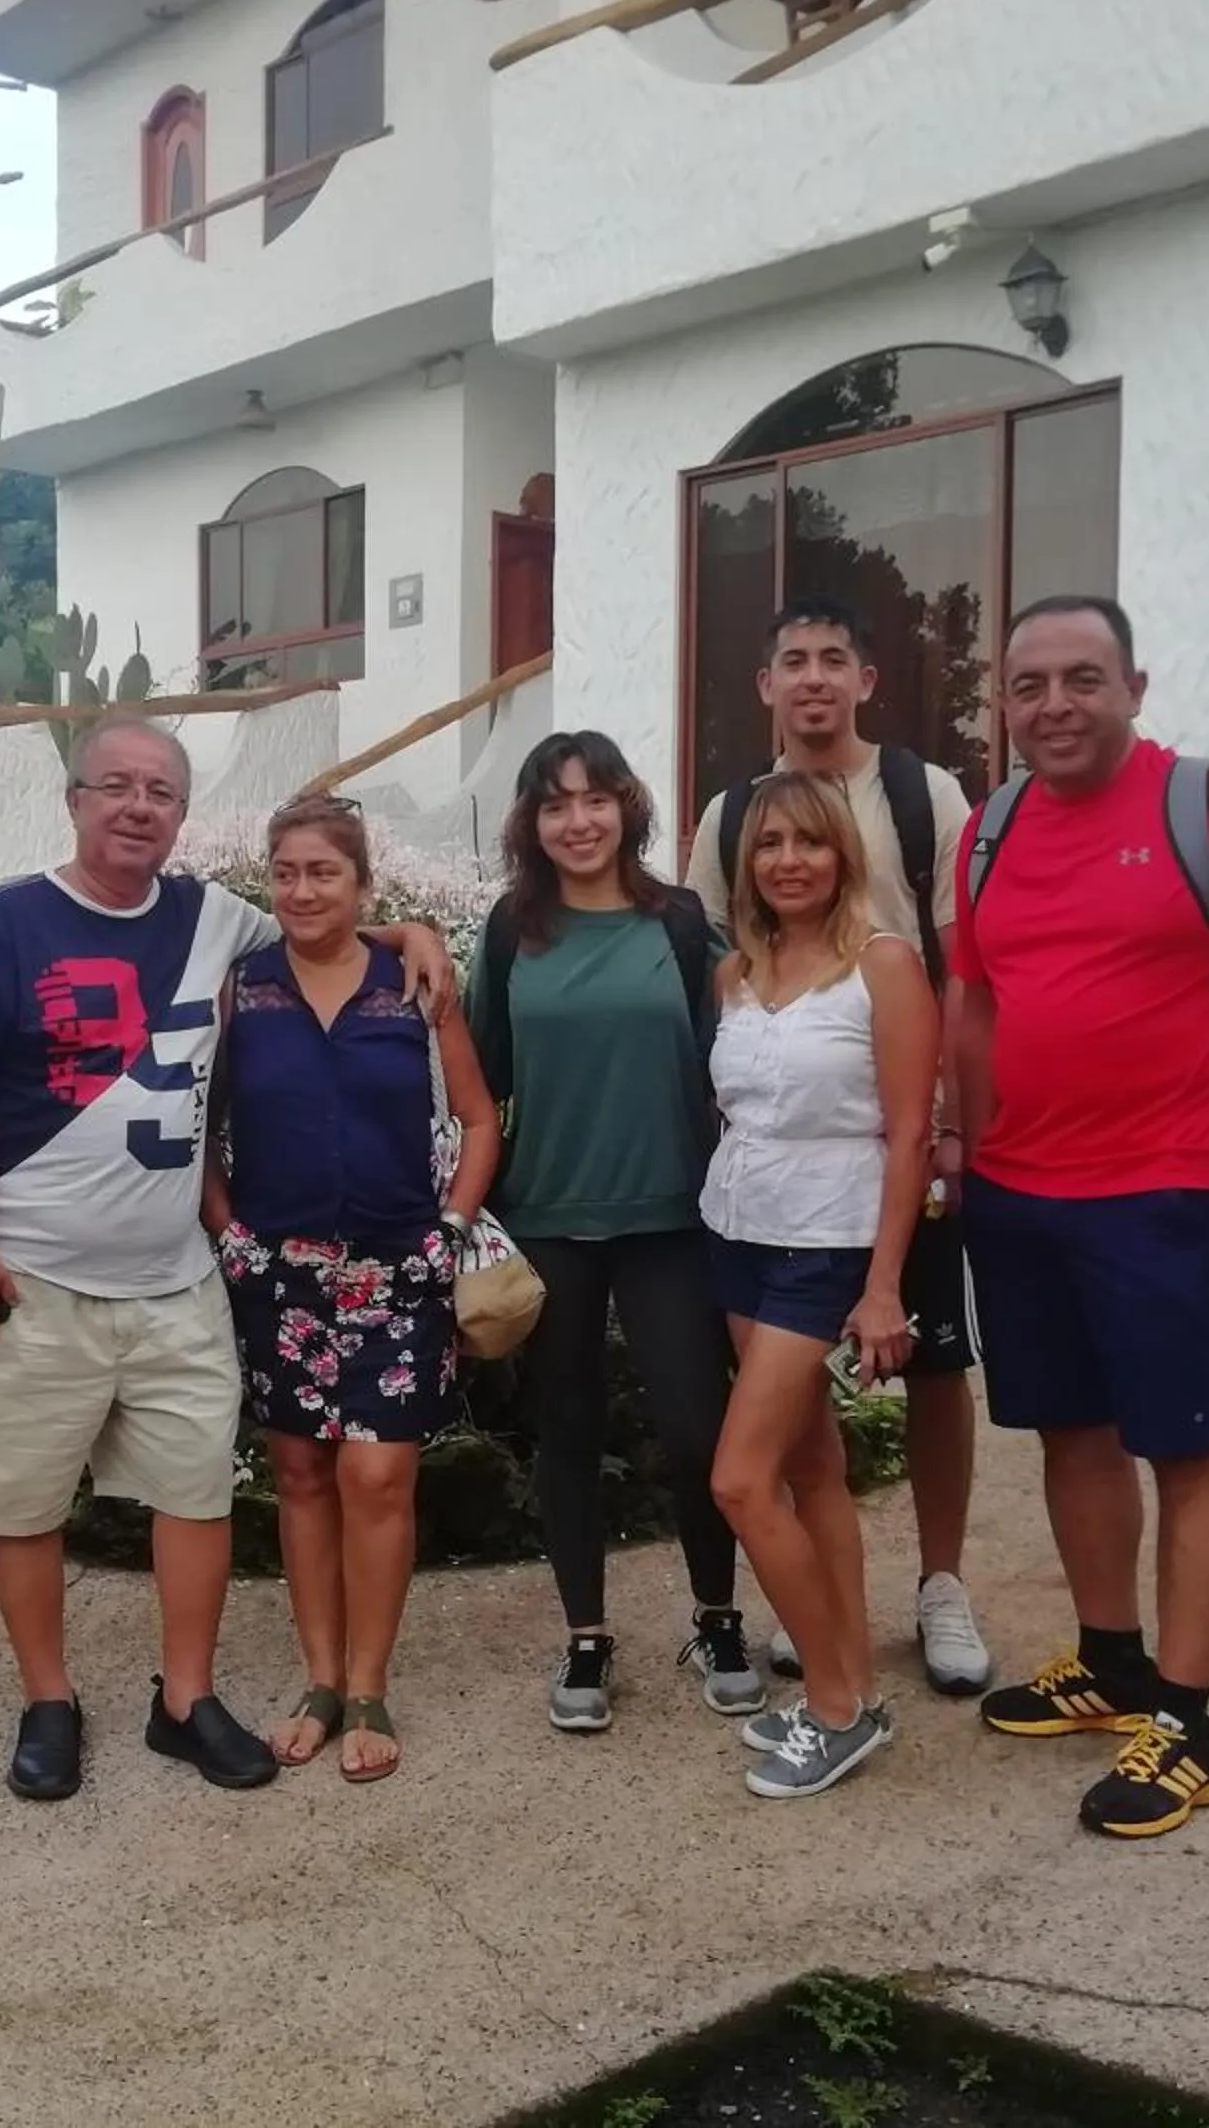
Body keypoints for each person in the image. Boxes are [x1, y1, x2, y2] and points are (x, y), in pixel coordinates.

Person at [0, 721, 459, 1801]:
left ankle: (185, 1700)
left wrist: (412, 931)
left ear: (183, 815)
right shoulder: (1, 925)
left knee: (196, 1494)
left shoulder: (220, 922)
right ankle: (48, 1699)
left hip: (177, 1278)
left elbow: (325, 922)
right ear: (72, 800)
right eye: (115, 785)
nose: (138, 806)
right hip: (31, 1270)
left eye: (161, 790)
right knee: (23, 1502)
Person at [948, 595, 1209, 1839]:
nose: (1053, 705)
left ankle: (1187, 1719)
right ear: (1000, 702)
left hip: (1162, 1191)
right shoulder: (991, 828)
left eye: (1082, 679)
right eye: (1027, 685)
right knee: (1071, 1431)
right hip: (1019, 1189)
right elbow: (979, 1004)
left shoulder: (1208, 809)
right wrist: (965, 1144)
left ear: (1135, 686)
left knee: (1189, 1446)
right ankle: (1109, 1663)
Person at [687, 598, 992, 1697]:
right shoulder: (728, 817)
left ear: (863, 678)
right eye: (791, 663)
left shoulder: (923, 796)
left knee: (935, 1366)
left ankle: (939, 1587)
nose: (812, 678)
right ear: (766, 683)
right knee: (803, 1450)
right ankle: (834, 1638)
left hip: (883, 1159)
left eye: (833, 661)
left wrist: (955, 1126)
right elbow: (721, 952)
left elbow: (960, 964)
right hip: (759, 1204)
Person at [466, 729, 764, 1734]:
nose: (578, 820)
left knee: (694, 1431)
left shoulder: (680, 925)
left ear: (627, 807)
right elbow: (479, 1080)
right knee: (567, 1431)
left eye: (595, 800)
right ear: (531, 823)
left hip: (674, 1214)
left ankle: (717, 1616)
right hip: (548, 1212)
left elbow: (747, 1051)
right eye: (555, 804)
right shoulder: (513, 931)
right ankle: (586, 1634)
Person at [202, 795, 501, 1785]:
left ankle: (370, 1683)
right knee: (300, 1474)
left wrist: (449, 1230)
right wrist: (229, 1232)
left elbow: (477, 1116)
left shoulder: (410, 983)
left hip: (396, 1269)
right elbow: (200, 1133)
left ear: (363, 885)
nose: (301, 890)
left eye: (324, 872)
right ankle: (320, 1681)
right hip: (278, 1275)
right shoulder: (240, 990)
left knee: (378, 1476)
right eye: (284, 872)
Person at [700, 773, 936, 1798]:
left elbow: (911, 1133)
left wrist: (884, 1286)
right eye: (767, 844)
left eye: (809, 841)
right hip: (737, 1234)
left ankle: (838, 1711)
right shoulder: (738, 973)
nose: (787, 860)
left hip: (824, 1249)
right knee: (814, 1470)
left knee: (738, 1482)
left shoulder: (882, 966)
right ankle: (851, 1681)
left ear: (845, 853)